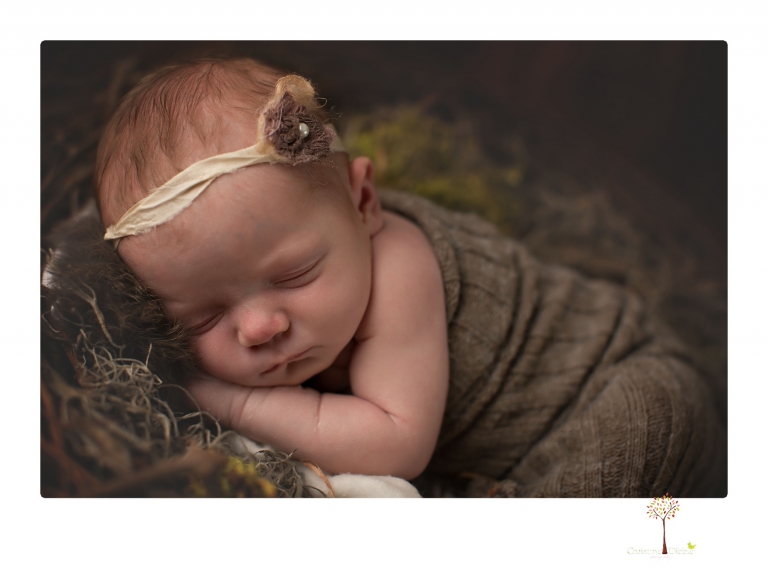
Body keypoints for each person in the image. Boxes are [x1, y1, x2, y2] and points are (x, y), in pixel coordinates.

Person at [94, 56, 726, 495]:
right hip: (504, 452)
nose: (259, 327)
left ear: (365, 204)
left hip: (613, 384)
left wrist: (233, 401)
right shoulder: (309, 273)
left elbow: (394, 445)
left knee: (645, 431)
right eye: (201, 318)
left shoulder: (400, 268)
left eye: (295, 274)